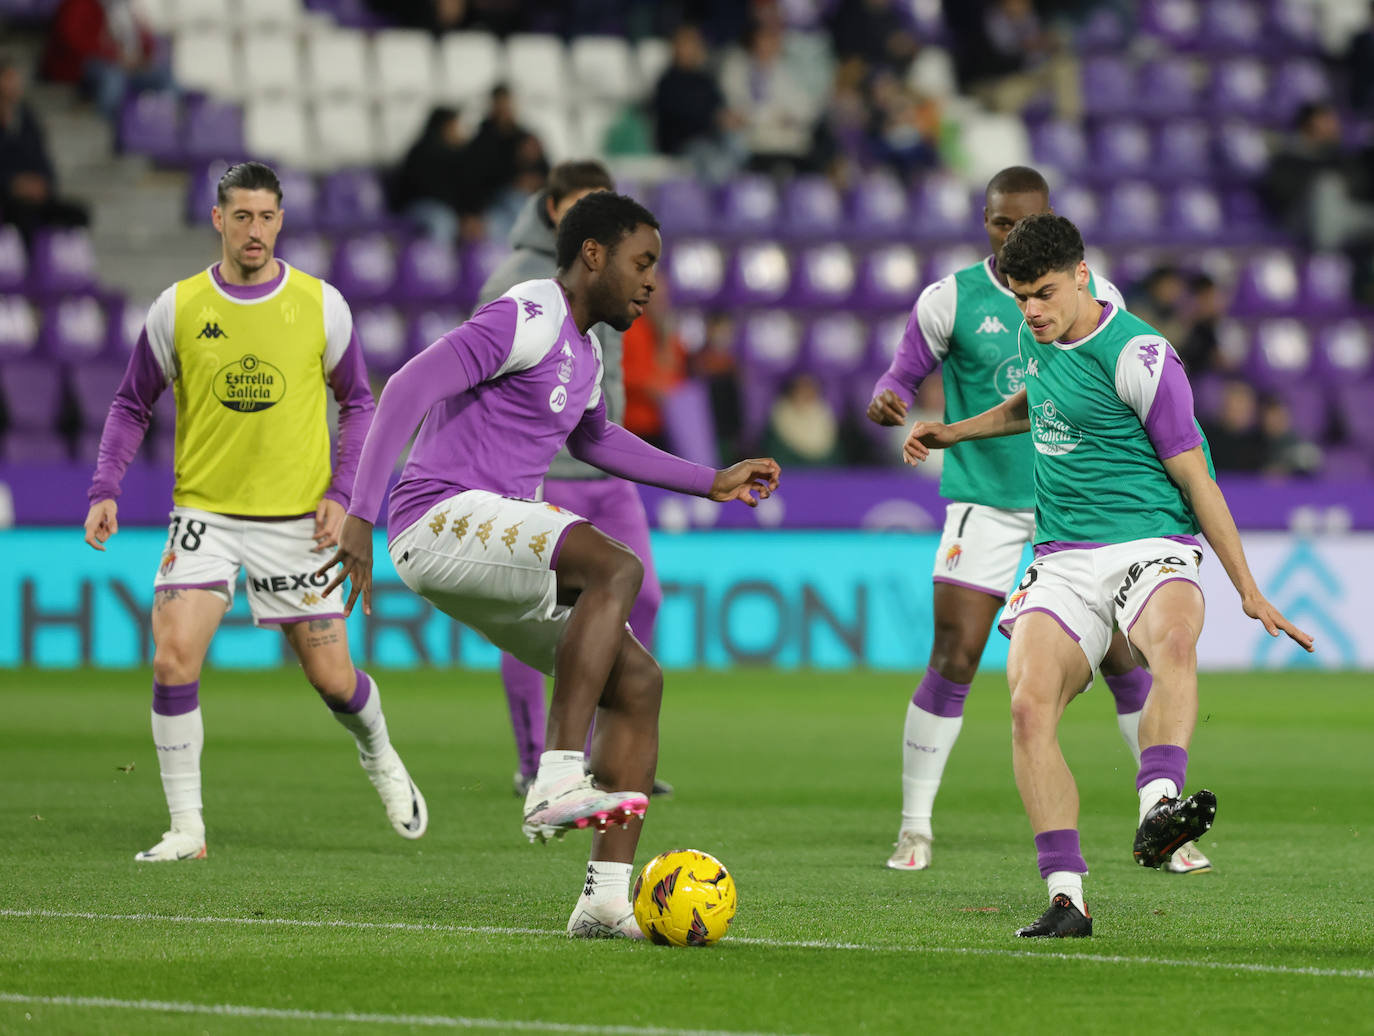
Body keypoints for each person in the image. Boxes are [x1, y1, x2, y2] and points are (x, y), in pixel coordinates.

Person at [317, 191, 779, 938]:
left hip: (492, 538)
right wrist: (360, 515)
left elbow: (598, 443)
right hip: (436, 514)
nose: (651, 281)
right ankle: (557, 774)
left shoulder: (586, 351)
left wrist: (711, 478)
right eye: (642, 261)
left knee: (639, 684)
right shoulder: (525, 312)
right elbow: (405, 387)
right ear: (592, 254)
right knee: (617, 567)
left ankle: (603, 900)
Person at [902, 213, 1313, 937]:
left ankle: (1159, 805)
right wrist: (955, 430)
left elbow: (1199, 480)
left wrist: (1248, 587)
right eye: (1023, 296)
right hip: (1063, 556)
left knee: (1173, 642)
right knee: (1028, 705)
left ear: (1084, 278)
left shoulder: (1142, 356)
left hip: (1151, 540)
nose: (1031, 310)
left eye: (1045, 293)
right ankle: (1067, 897)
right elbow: (1036, 402)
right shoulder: (1039, 337)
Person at [866, 166, 1213, 875]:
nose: (1010, 232)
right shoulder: (948, 299)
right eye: (999, 222)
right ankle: (914, 827)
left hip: (1078, 512)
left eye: (1024, 221)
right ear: (984, 221)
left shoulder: (1089, 295)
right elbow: (903, 372)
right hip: (986, 502)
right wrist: (891, 397)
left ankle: (1163, 821)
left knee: (1123, 657)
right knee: (956, 654)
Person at [83, 162, 427, 862]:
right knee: (174, 658)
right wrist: (104, 486)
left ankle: (380, 754)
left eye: (267, 217)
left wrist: (342, 497)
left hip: (298, 524)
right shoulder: (176, 307)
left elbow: (359, 402)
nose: (255, 231)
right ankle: (187, 829)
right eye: (241, 216)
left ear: (280, 221)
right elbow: (130, 404)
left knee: (333, 680)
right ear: (218, 220)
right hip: (205, 517)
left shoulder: (320, 304)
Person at [475, 160, 672, 799]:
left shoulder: (616, 277)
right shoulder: (515, 281)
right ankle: (538, 759)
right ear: (556, 209)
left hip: (604, 469)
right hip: (541, 473)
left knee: (642, 599)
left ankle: (616, 750)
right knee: (535, 613)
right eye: (585, 205)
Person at [0, 58, 90, 246]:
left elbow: (44, 160)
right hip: (7, 197)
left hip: (34, 195)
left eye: (15, 79)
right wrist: (13, 184)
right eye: (7, 79)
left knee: (78, 214)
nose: (13, 85)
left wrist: (43, 183)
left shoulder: (27, 119)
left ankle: (66, 269)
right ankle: (27, 272)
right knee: (22, 216)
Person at [42, 0, 174, 121]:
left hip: (127, 66)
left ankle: (162, 126)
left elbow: (145, 41)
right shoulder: (79, 4)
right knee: (113, 78)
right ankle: (110, 127)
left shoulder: (125, 7)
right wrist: (115, 56)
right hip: (84, 66)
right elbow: (73, 40)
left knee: (165, 75)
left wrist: (143, 57)